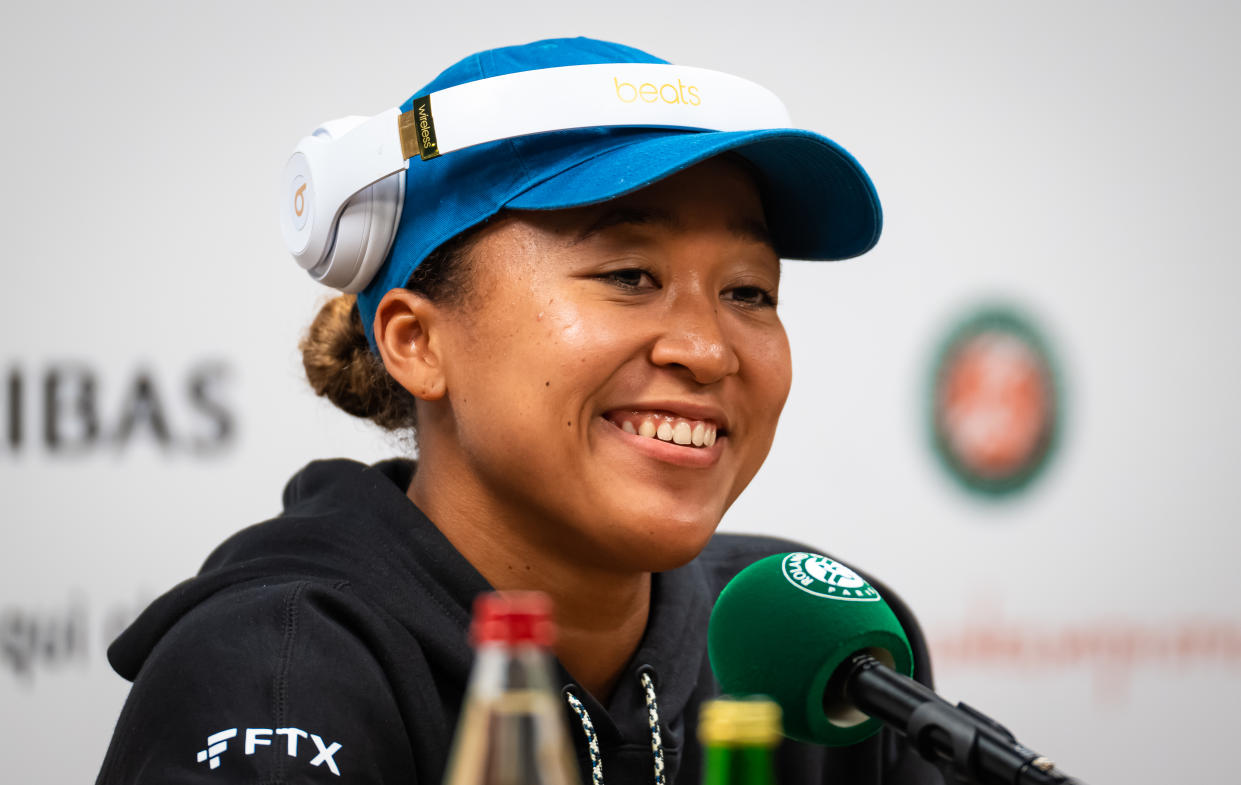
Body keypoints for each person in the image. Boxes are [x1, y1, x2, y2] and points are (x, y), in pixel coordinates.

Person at [95, 37, 939, 785]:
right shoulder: (276, 668)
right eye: (628, 275)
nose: (708, 348)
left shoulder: (821, 648)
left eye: (749, 290)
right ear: (416, 342)